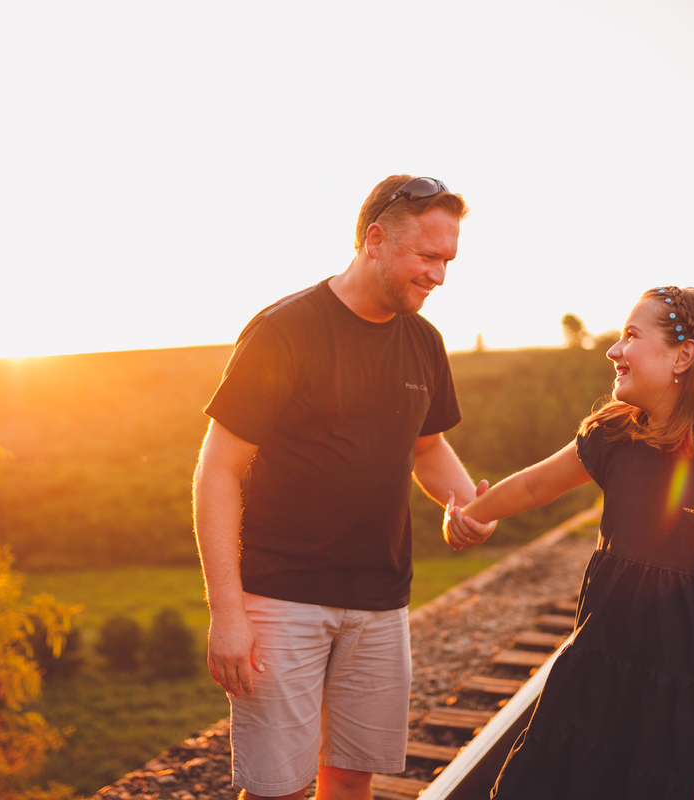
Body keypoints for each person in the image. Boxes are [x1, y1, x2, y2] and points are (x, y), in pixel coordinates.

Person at [193, 175, 496, 800]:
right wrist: (226, 612)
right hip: (283, 599)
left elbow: (427, 447)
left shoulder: (424, 341)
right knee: (278, 789)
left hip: (382, 601)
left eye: (448, 260)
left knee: (353, 777)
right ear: (375, 240)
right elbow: (217, 470)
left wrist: (468, 504)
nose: (439, 275)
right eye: (428, 256)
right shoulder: (285, 330)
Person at [447, 287, 694, 800]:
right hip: (592, 685)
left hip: (684, 713)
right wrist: (470, 517)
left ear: (684, 355)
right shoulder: (616, 435)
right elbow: (534, 486)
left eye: (631, 336)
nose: (613, 351)